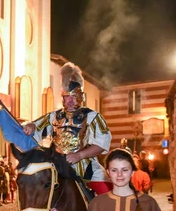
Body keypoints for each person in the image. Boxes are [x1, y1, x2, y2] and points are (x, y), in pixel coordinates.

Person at [23, 62, 112, 194]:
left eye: (73, 97)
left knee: (109, 196)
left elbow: (102, 143)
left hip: (85, 167)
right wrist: (29, 126)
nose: (69, 101)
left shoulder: (93, 116)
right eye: (66, 97)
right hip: (56, 166)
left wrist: (79, 155)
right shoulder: (54, 116)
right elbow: (35, 128)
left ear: (81, 96)